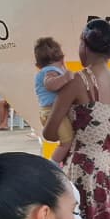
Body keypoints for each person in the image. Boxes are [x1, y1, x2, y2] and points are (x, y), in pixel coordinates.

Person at [42, 20, 110, 219]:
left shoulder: (78, 81)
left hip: (81, 169)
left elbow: (50, 132)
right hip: (107, 170)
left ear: (84, 44)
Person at [32, 36, 75, 164]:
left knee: (66, 140)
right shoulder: (51, 71)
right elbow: (50, 84)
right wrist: (66, 78)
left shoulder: (49, 69)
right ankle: (53, 165)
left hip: (48, 112)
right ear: (61, 58)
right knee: (66, 142)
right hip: (53, 112)